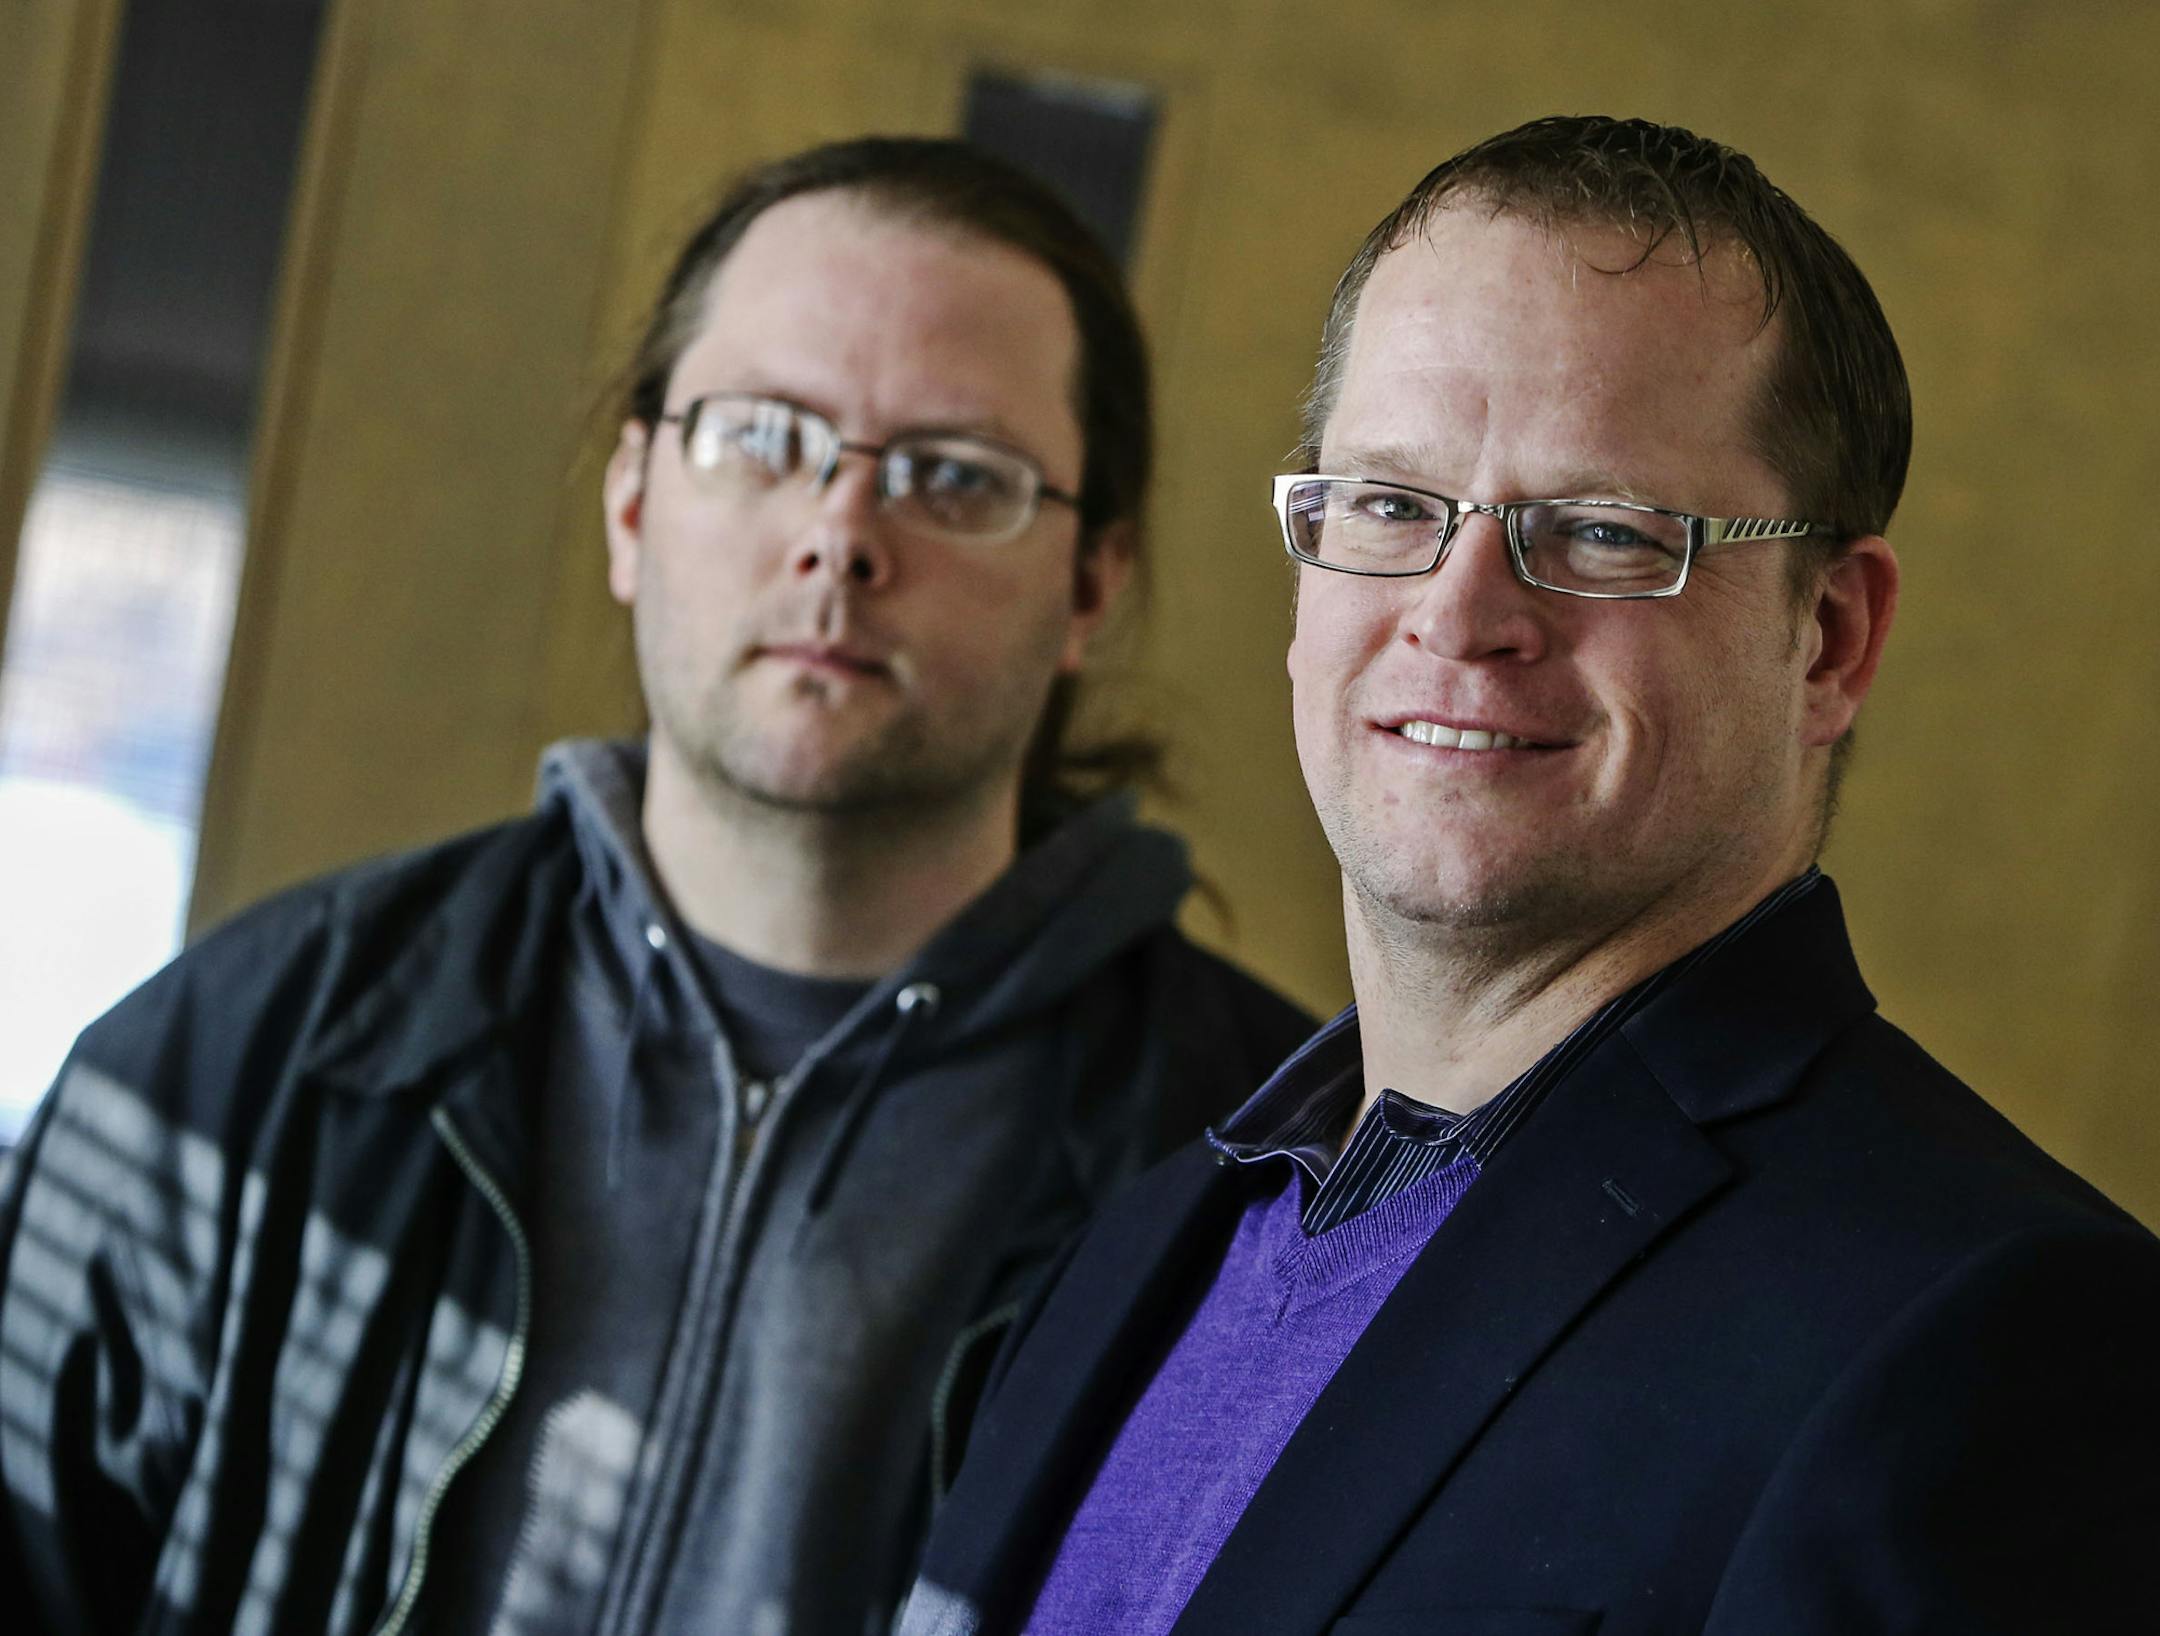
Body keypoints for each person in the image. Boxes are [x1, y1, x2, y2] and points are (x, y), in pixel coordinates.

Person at [0, 137, 1312, 1635]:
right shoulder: (233, 1062)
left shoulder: (1273, 1187)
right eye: (764, 435)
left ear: (1092, 583)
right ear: (632, 501)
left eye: (955, 476)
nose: (840, 534)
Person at [901, 115, 2160, 1636]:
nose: (1462, 612)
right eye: (1389, 505)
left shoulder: (1993, 1349)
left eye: (1603, 532)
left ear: (1829, 636)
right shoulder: (1146, 1240)